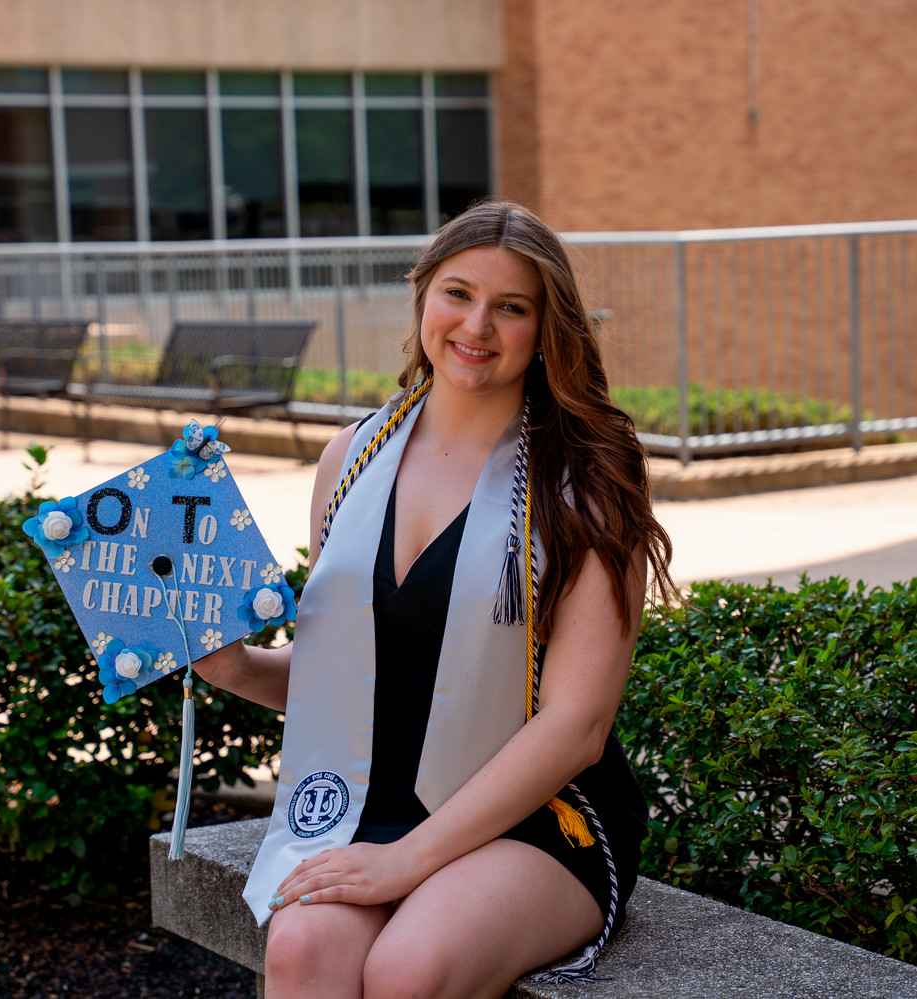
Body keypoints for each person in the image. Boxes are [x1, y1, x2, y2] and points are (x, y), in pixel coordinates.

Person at [196, 200, 674, 999]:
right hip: (372, 797)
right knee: (303, 946)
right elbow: (349, 675)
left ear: (544, 326)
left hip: (539, 816)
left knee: (410, 967)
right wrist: (236, 667)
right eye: (457, 293)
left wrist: (407, 860)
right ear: (422, 296)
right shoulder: (351, 458)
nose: (476, 324)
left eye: (510, 307)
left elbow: (576, 727)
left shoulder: (584, 488)